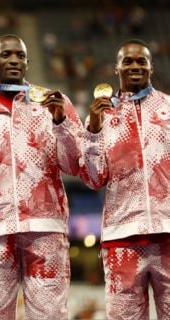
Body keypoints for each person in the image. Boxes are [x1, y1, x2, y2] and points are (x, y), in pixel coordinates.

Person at [0, 34, 84, 320]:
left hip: (45, 227)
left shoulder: (53, 104)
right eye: (6, 55)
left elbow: (75, 165)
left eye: (20, 55)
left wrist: (60, 123)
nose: (13, 60)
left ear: (27, 61)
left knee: (50, 316)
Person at [81, 38, 170, 319]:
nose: (135, 66)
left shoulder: (169, 109)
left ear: (151, 68)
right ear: (116, 68)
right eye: (128, 61)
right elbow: (93, 179)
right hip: (122, 237)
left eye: (141, 61)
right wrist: (93, 131)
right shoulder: (101, 116)